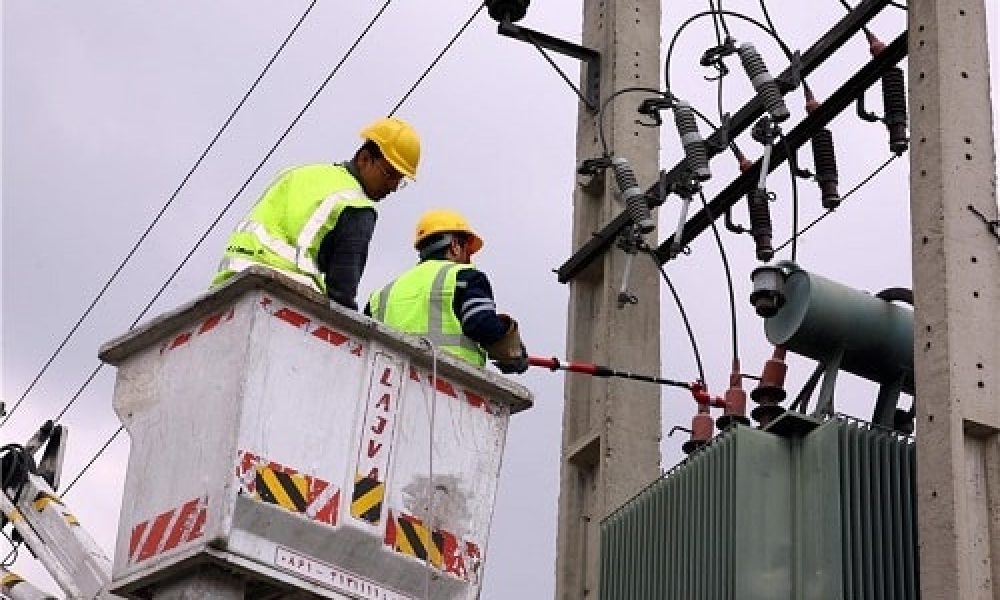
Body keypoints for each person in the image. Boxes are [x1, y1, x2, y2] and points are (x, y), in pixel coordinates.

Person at [211, 116, 420, 310]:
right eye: (390, 174)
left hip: (227, 286)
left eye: (400, 181)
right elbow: (342, 292)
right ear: (364, 159)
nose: (393, 187)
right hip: (286, 297)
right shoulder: (357, 206)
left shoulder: (297, 173)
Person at [365, 209, 529, 374]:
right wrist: (513, 352)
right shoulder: (465, 277)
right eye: (468, 251)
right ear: (455, 246)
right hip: (447, 385)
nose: (469, 258)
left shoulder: (382, 294)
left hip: (388, 386)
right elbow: (481, 324)